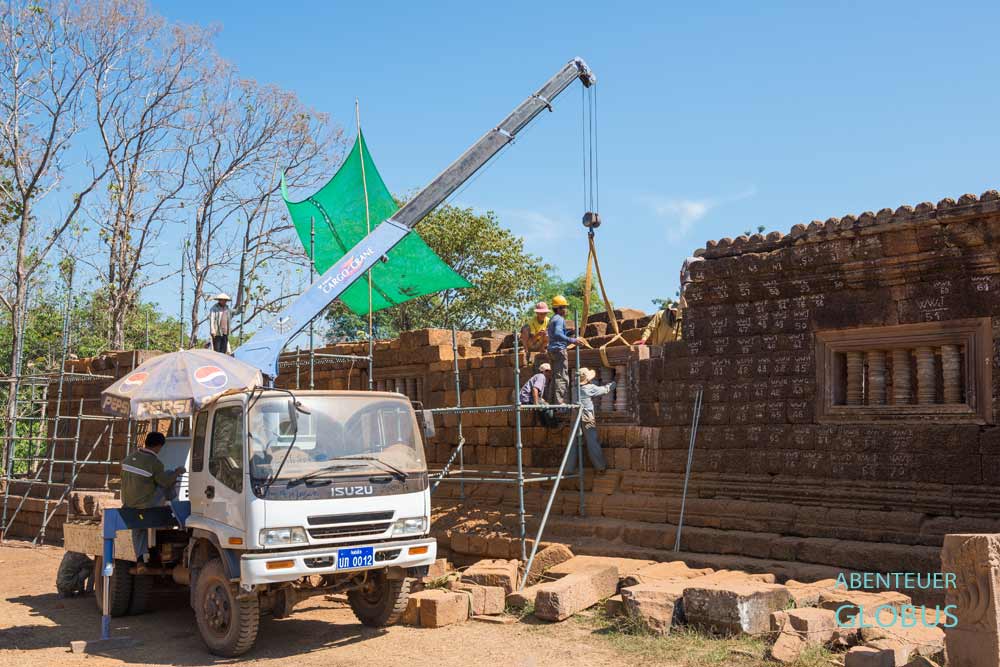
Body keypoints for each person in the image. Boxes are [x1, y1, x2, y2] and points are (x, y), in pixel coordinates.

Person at [120, 432, 185, 561]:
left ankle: (140, 560)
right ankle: (174, 503)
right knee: (169, 474)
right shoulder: (155, 463)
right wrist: (177, 472)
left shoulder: (128, 459)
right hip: (146, 504)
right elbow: (166, 483)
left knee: (139, 527)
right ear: (159, 446)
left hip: (128, 504)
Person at [565, 367, 614, 473]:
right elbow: (605, 390)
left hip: (575, 415)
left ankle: (569, 467)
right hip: (586, 416)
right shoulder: (589, 388)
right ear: (587, 379)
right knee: (592, 441)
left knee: (572, 441)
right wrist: (614, 383)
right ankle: (600, 466)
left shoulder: (574, 388)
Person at [546, 295, 583, 404]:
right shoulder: (560, 319)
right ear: (558, 308)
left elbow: (556, 334)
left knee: (555, 376)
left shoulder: (553, 319)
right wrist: (572, 340)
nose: (566, 310)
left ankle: (552, 401)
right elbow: (558, 334)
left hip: (552, 350)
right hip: (559, 350)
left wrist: (568, 333)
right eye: (564, 307)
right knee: (562, 377)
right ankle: (559, 402)